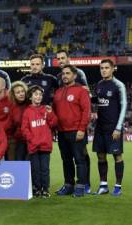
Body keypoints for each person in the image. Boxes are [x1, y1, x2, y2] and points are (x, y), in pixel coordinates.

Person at [55, 49, 91, 193]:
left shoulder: (81, 91)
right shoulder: (57, 92)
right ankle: (68, 185)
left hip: (77, 132)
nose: (65, 76)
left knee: (80, 160)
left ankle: (81, 186)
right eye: (63, 74)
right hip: (62, 132)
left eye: (68, 73)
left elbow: (86, 112)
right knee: (66, 160)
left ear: (75, 75)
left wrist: (82, 129)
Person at [92, 59, 127, 196]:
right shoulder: (99, 85)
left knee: (117, 155)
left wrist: (118, 128)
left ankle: (118, 186)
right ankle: (103, 185)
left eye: (106, 67)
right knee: (100, 155)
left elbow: (124, 106)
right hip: (100, 127)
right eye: (101, 68)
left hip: (113, 127)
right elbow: (97, 100)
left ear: (113, 69)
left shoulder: (119, 85)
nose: (104, 70)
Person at [21, 85, 58, 198]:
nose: (38, 96)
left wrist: (51, 113)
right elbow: (24, 129)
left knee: (45, 169)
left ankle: (45, 189)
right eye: (36, 94)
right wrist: (32, 139)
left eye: (40, 95)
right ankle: (37, 189)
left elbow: (54, 124)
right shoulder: (27, 111)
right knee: (35, 169)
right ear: (30, 97)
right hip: (33, 146)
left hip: (45, 145)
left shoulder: (46, 109)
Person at [8, 81, 29, 161]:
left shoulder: (31, 104)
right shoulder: (12, 107)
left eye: (22, 91)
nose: (21, 94)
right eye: (18, 92)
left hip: (31, 141)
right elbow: (11, 125)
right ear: (13, 95)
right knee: (19, 163)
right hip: (19, 141)